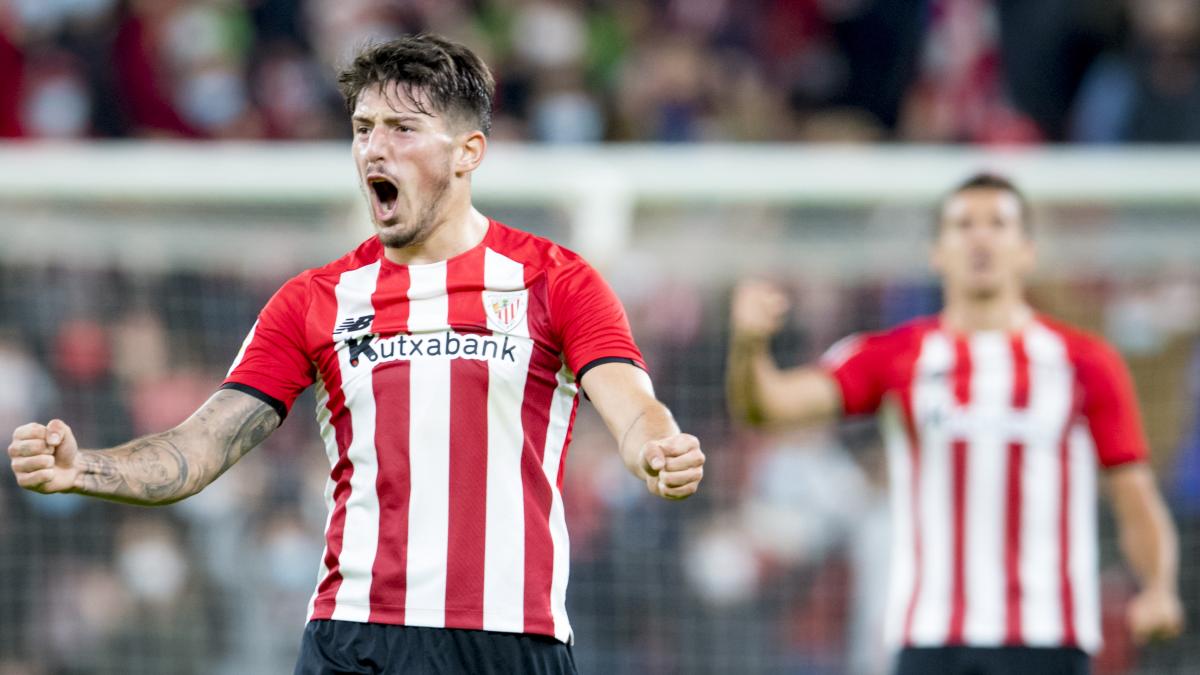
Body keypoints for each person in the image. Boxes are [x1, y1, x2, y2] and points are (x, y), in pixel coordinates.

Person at [7, 34, 705, 675]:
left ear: (468, 151)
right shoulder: (315, 300)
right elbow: (202, 445)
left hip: (511, 638)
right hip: (356, 636)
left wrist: (658, 447)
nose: (375, 149)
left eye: (403, 129)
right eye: (363, 129)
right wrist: (84, 467)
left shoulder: (555, 280)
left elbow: (631, 405)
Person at [727, 173, 1183, 675]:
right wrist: (748, 349)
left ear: (1027, 250)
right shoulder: (896, 356)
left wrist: (1158, 586)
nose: (981, 237)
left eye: (998, 224)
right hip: (932, 636)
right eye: (963, 224)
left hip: (1049, 637)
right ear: (937, 252)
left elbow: (1134, 492)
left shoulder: (1084, 362)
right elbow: (766, 408)